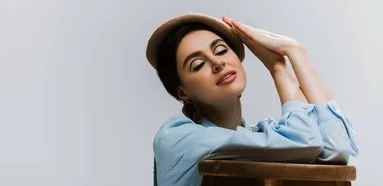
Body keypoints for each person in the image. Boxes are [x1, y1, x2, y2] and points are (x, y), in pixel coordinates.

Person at [145, 13, 359, 186]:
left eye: (220, 50)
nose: (217, 63)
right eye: (198, 64)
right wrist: (278, 67)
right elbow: (308, 140)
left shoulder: (257, 139)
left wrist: (295, 53)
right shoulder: (178, 138)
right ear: (182, 93)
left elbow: (336, 149)